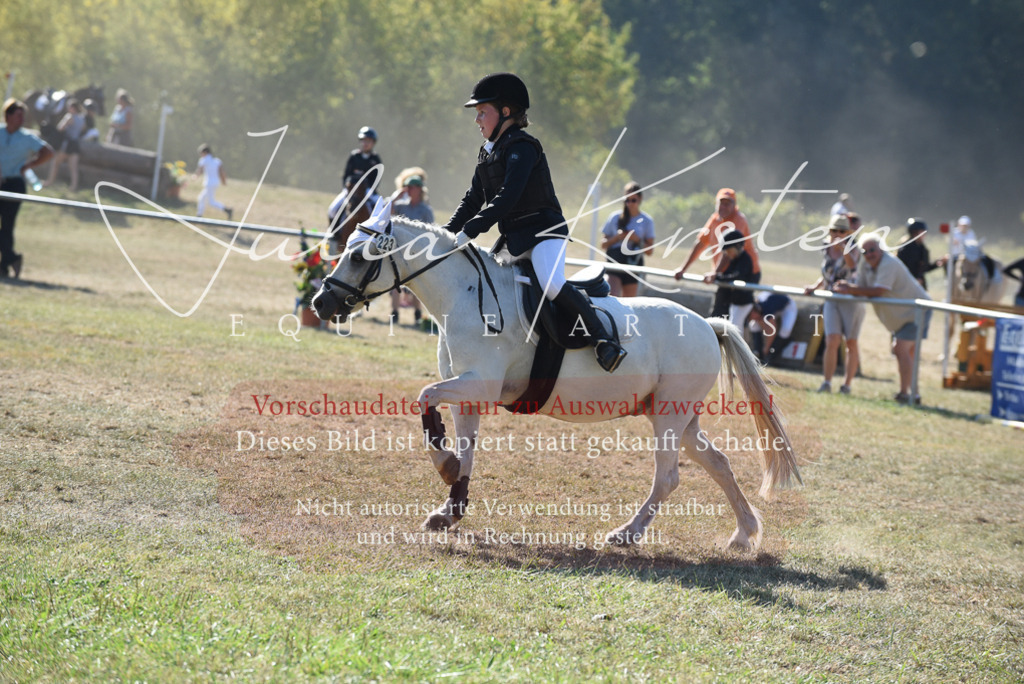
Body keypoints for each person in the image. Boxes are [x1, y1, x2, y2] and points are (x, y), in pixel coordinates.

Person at [443, 72, 626, 372]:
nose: (476, 120)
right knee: (487, 285)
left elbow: (509, 196)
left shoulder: (523, 147)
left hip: (544, 233)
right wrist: (445, 234)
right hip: (514, 238)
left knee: (552, 284)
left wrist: (472, 230)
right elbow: (472, 200)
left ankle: (604, 340)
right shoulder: (488, 154)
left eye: (481, 112)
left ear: (505, 112)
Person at [835, 232, 932, 404]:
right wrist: (848, 287)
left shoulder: (889, 263)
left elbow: (878, 290)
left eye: (872, 250)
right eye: (865, 252)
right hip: (902, 316)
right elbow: (863, 287)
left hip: (917, 311)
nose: (869, 254)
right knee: (907, 352)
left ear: (881, 249)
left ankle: (907, 393)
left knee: (901, 348)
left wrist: (850, 288)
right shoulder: (866, 264)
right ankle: (911, 394)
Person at [674, 187, 761, 317]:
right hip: (725, 271)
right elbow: (701, 243)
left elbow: (729, 252)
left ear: (734, 205)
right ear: (716, 204)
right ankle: (719, 333)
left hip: (745, 271)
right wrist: (683, 269)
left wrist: (715, 273)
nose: (724, 207)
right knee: (721, 311)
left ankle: (753, 323)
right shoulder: (715, 219)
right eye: (721, 203)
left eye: (728, 204)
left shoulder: (739, 220)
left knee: (740, 311)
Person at [804, 214, 865, 394]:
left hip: (850, 300)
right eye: (834, 230)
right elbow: (829, 272)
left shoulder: (854, 247)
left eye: (841, 231)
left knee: (851, 342)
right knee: (832, 340)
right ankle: (827, 382)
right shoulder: (825, 246)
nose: (837, 234)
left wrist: (843, 248)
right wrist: (815, 286)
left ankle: (847, 385)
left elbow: (852, 266)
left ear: (847, 232)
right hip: (831, 298)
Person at [0, 99, 55, 278]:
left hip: (14, 183)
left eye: (23, 115)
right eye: (18, 115)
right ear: (8, 116)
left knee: (7, 225)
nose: (22, 118)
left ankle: (5, 264)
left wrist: (29, 166)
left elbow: (48, 152)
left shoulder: (27, 137)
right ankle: (11, 258)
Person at [389, 168, 434, 324]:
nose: (408, 190)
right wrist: (396, 197)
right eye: (407, 187)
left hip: (416, 252)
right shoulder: (401, 205)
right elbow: (388, 212)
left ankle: (417, 313)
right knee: (396, 283)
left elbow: (430, 232)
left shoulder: (425, 210)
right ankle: (394, 313)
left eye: (411, 187)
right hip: (400, 250)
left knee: (416, 285)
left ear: (419, 190)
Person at [601, 181, 655, 297]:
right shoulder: (615, 217)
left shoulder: (647, 221)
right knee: (612, 296)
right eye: (627, 200)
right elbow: (603, 244)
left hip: (633, 263)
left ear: (640, 200)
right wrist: (618, 238)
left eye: (633, 200)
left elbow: (650, 251)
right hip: (615, 260)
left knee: (629, 302)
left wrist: (636, 240)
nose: (630, 203)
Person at [703, 229, 755, 329]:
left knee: (735, 327)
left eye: (729, 250)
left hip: (743, 302)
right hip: (735, 301)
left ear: (738, 246)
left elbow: (737, 275)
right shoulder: (735, 259)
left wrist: (717, 277)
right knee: (734, 326)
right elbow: (728, 274)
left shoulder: (745, 259)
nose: (728, 253)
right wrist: (716, 276)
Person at [44, 99, 85, 192]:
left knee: (55, 163)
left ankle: (50, 181)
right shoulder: (81, 118)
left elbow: (60, 128)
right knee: (73, 167)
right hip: (75, 144)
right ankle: (74, 186)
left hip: (67, 144)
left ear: (73, 108)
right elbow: (82, 129)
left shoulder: (69, 116)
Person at [748, 291, 797, 365]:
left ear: (754, 312)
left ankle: (770, 356)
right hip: (772, 308)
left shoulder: (766, 307)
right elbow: (761, 321)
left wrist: (766, 349)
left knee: (785, 331)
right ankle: (758, 354)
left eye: (750, 315)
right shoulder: (756, 306)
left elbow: (771, 331)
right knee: (753, 325)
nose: (749, 318)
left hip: (787, 306)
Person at [896, 218, 946, 288]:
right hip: (906, 286)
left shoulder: (922, 248)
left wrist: (938, 262)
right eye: (922, 231)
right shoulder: (905, 248)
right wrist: (913, 279)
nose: (924, 234)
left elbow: (925, 268)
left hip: (919, 286)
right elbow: (901, 267)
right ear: (914, 232)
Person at [194, 144, 233, 220]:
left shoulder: (204, 160)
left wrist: (195, 176)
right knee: (201, 198)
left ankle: (227, 210)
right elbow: (222, 173)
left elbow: (200, 170)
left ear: (205, 153)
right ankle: (199, 216)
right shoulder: (217, 161)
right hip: (215, 183)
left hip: (209, 183)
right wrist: (224, 181)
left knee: (211, 202)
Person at [343, 126, 383, 193]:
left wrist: (370, 189)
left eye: (369, 141)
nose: (365, 143)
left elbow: (376, 179)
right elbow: (346, 175)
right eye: (364, 140)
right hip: (351, 188)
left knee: (380, 202)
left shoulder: (376, 159)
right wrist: (346, 186)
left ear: (373, 143)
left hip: (368, 190)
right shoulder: (354, 156)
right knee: (335, 203)